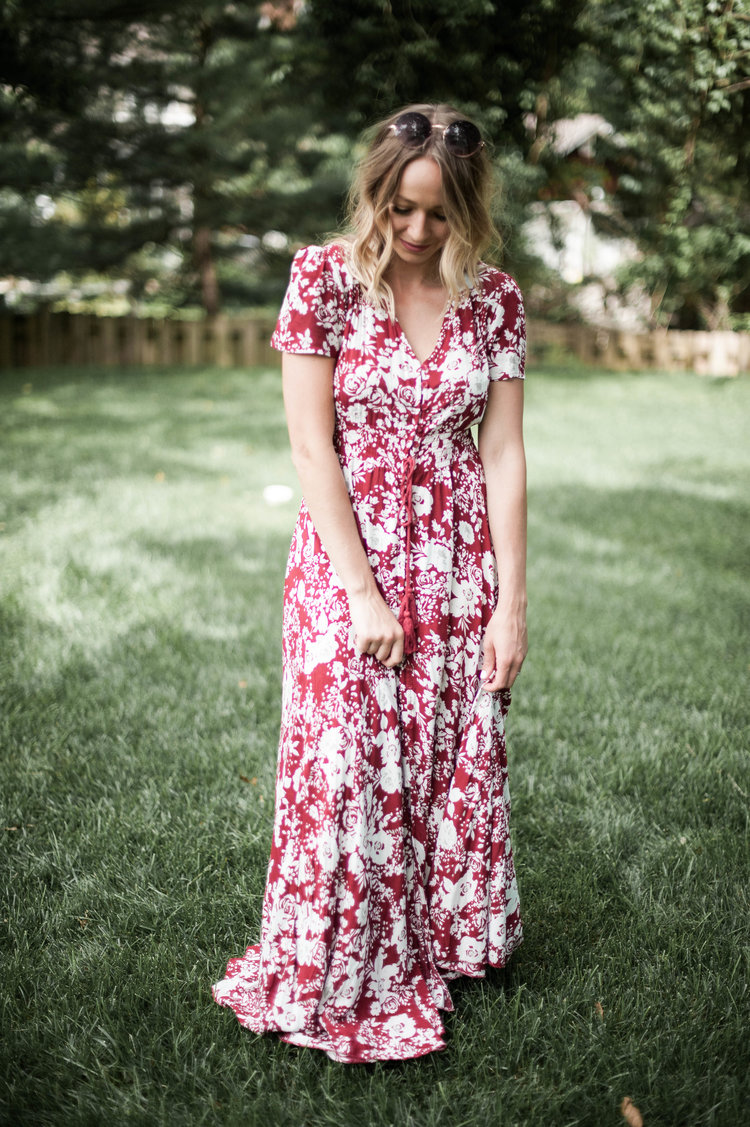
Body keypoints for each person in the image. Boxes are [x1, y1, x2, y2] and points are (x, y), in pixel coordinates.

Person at [213, 103, 527, 1063]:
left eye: (439, 212)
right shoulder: (323, 279)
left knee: (440, 756)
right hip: (349, 558)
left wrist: (512, 604)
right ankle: (341, 959)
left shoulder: (496, 300)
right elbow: (312, 446)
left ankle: (436, 944)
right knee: (348, 764)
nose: (418, 230)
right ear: (376, 194)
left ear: (468, 210)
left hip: (459, 567)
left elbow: (503, 452)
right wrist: (359, 591)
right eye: (402, 208)